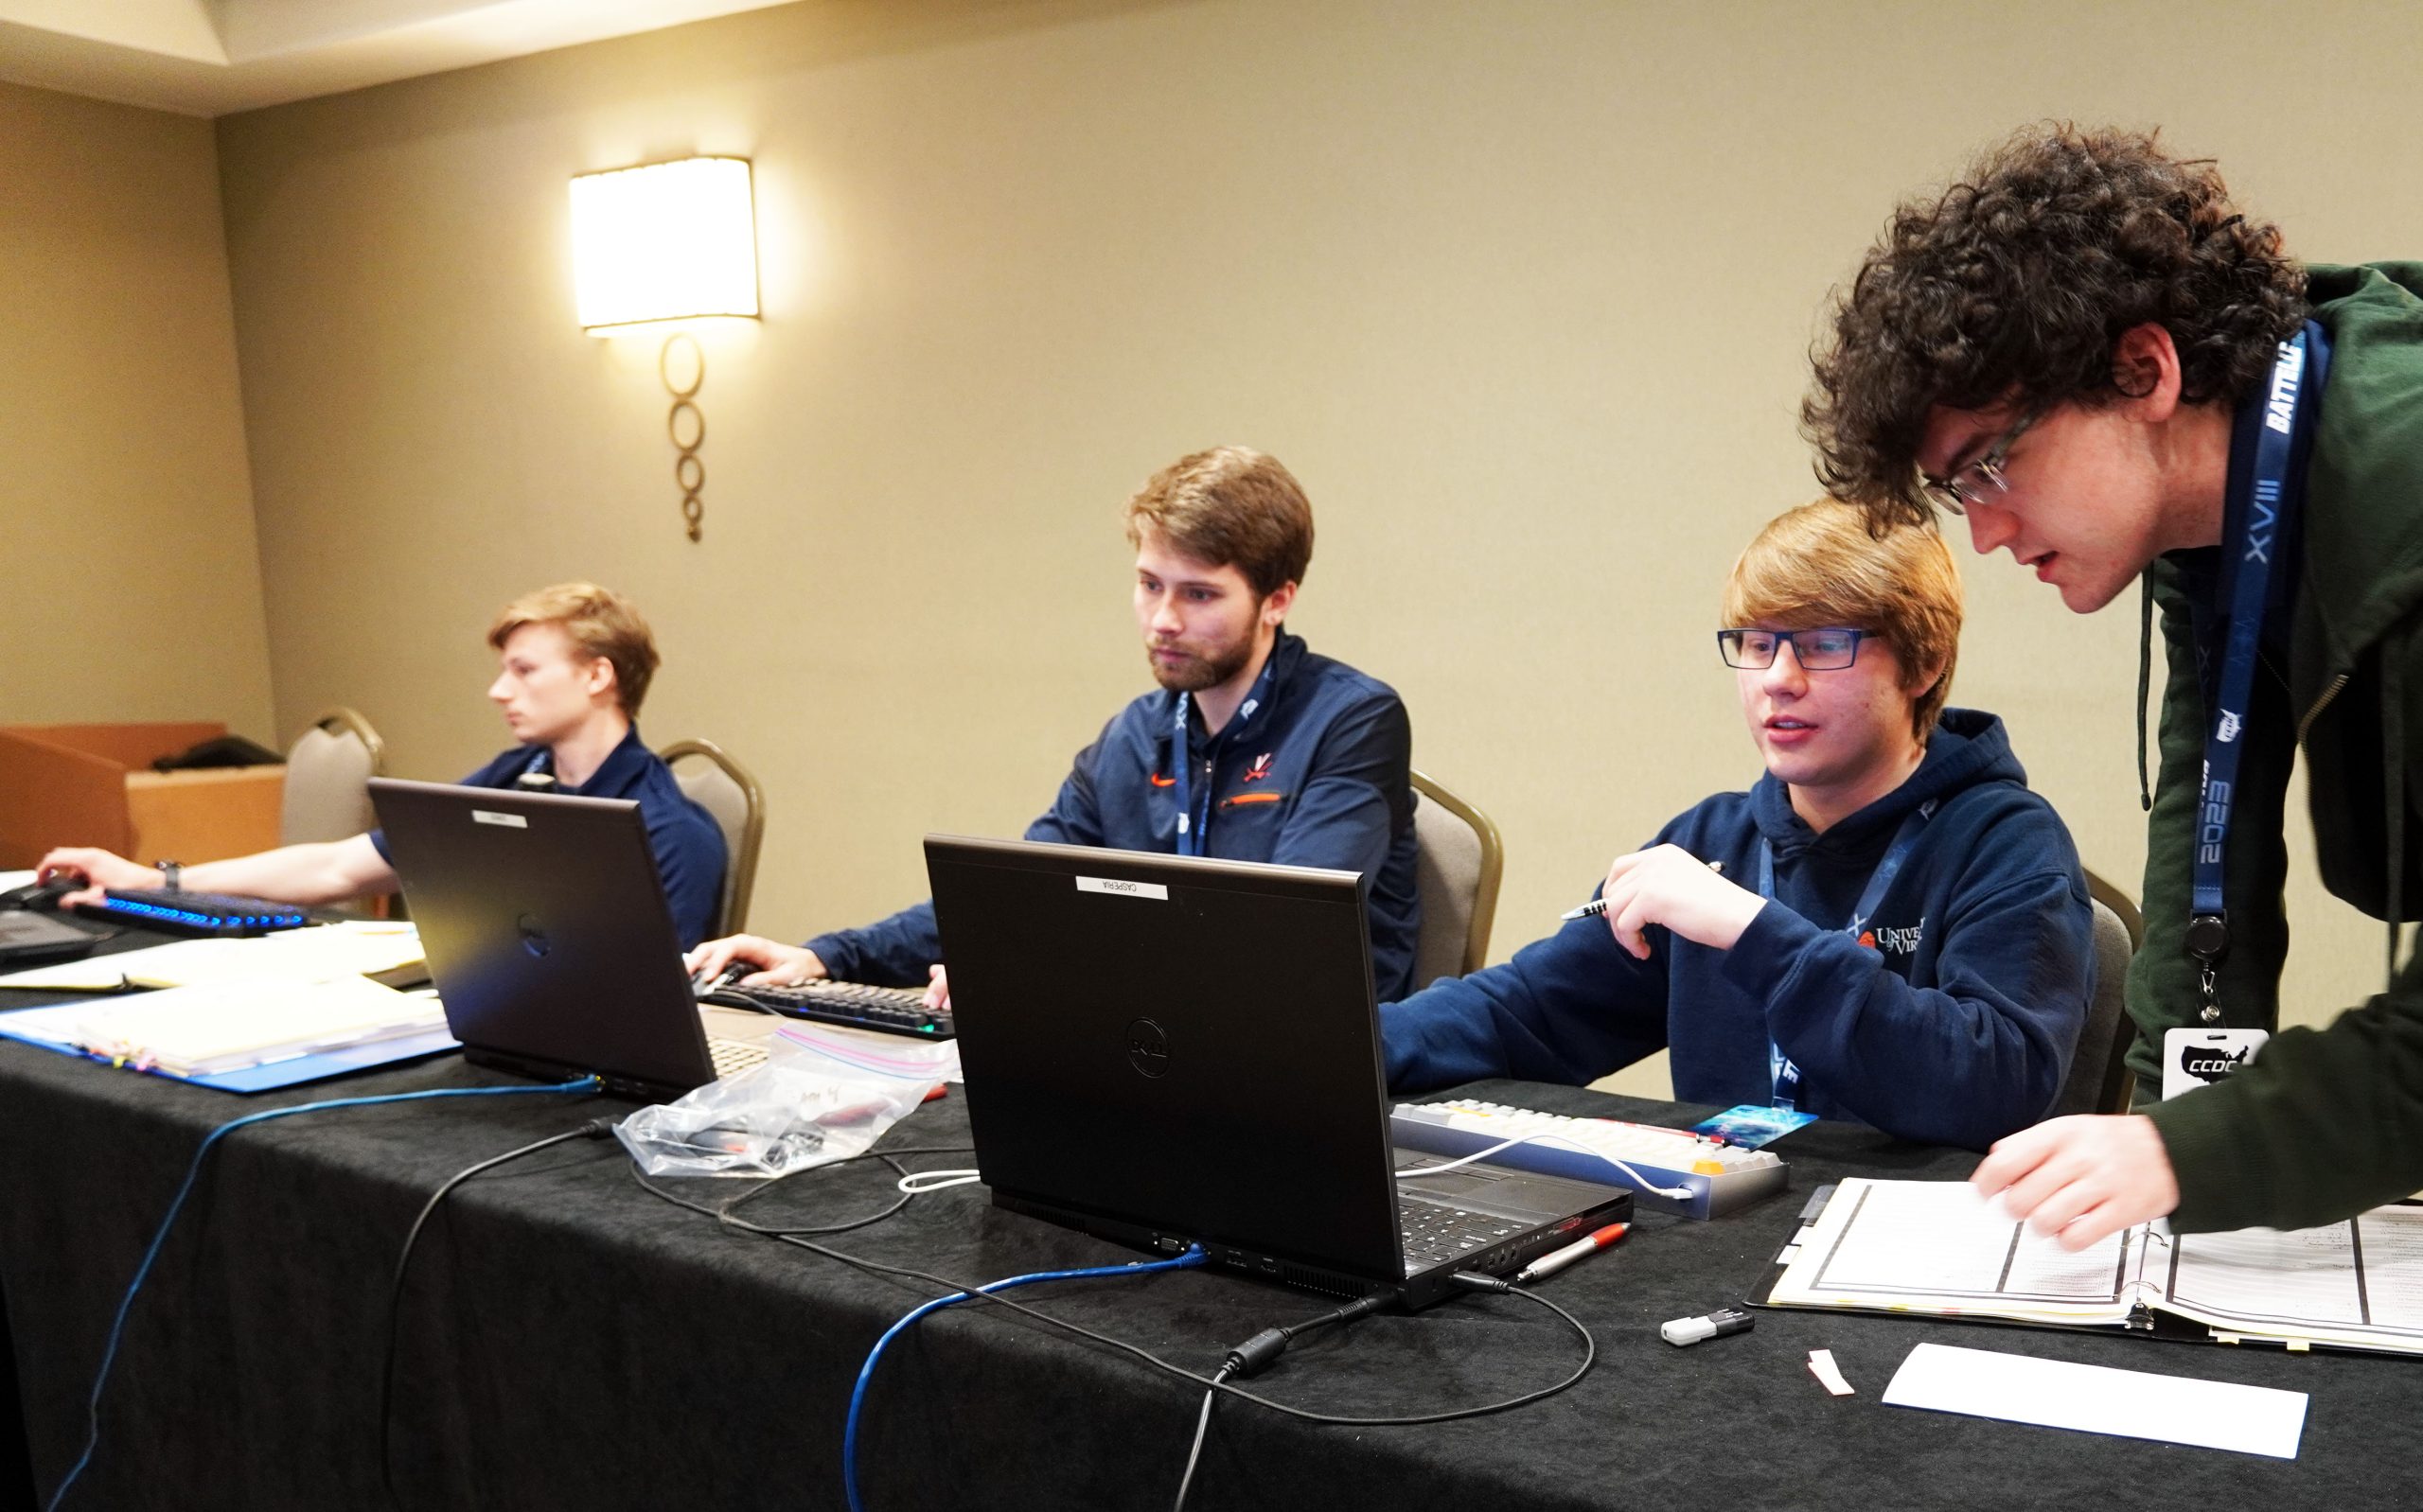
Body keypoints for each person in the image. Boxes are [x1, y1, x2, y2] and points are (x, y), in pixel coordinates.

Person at [1805, 122, 2423, 1245]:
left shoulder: (2404, 495)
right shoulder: (2221, 516)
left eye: (1991, 464)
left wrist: (2189, 1153)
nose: (1985, 533)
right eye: (1957, 491)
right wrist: (2163, 1120)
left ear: (2145, 370)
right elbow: (2208, 834)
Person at [1381, 501, 2095, 1150]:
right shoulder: (1710, 843)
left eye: (1823, 644)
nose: (1778, 678)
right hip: (1721, 1221)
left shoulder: (2005, 842)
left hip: (1905, 1231)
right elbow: (1525, 1014)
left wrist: (1752, 932)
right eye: (1757, 644)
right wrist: (1344, 1046)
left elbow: (1992, 1087)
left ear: (1924, 663)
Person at [686, 446, 1423, 1005]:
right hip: (1155, 1048)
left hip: (1303, 1071)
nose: (1163, 620)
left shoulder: (1353, 721)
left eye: (1199, 595)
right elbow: (1015, 900)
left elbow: (1281, 943)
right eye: (1149, 585)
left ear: (1277, 600)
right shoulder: (1133, 736)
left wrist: (1041, 974)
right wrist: (827, 957)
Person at [39, 582, 729, 949]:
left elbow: (665, 1005)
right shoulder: (517, 775)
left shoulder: (668, 829)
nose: (499, 690)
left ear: (598, 676)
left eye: (523, 670)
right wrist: (158, 882)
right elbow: (339, 869)